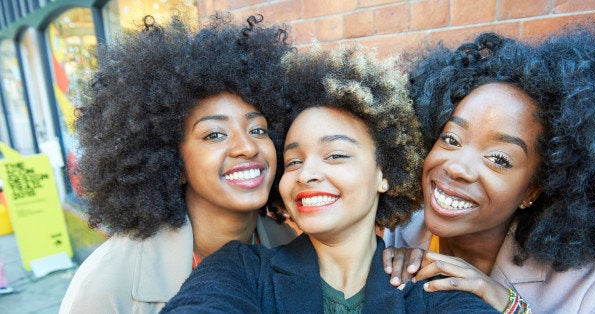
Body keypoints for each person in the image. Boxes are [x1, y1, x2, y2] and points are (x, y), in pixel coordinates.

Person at [161, 46, 497, 313]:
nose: (306, 174)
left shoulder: (430, 287)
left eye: (336, 154)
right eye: (293, 161)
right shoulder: (240, 269)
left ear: (385, 174)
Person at [60, 14, 297, 313]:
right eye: (214, 134)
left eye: (258, 130)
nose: (247, 147)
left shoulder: (286, 244)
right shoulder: (108, 284)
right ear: (173, 161)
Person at [383, 27, 595, 313]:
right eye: (450, 139)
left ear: (532, 189)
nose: (458, 167)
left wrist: (510, 306)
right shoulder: (391, 233)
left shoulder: (590, 289)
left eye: (499, 159)